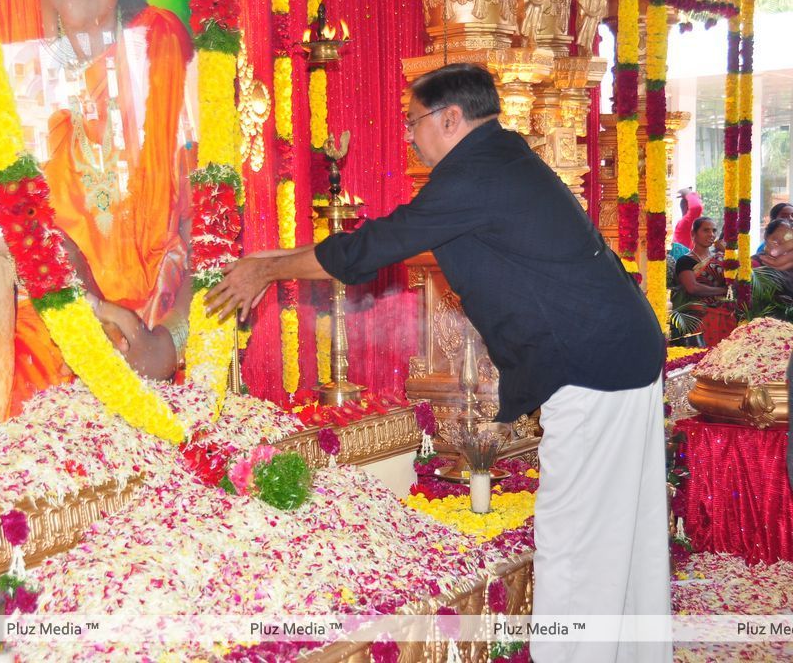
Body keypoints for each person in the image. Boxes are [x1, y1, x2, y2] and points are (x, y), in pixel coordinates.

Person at [208, 63, 669, 663]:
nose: (407, 134)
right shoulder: (498, 160)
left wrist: (265, 269)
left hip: (592, 365)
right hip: (619, 353)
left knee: (577, 537)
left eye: (412, 121)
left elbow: (374, 245)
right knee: (622, 527)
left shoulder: (475, 173)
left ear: (450, 118)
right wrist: (271, 259)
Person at [0, 0, 193, 412]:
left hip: (160, 362)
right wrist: (43, 247)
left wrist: (170, 343)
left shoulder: (163, 45)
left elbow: (209, 227)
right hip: (32, 357)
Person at [674, 217, 727, 300]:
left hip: (725, 307)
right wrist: (724, 290)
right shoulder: (684, 261)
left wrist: (726, 252)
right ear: (693, 234)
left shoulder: (719, 257)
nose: (711, 234)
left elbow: (738, 280)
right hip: (696, 309)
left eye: (714, 231)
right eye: (706, 230)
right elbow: (693, 288)